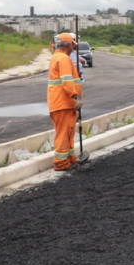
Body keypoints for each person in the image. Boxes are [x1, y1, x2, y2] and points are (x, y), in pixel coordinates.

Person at [47, 33, 84, 171]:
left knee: (68, 132)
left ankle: (69, 159)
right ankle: (61, 163)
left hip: (62, 102)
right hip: (63, 102)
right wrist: (75, 96)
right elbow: (67, 81)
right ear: (68, 45)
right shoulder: (63, 59)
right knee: (63, 133)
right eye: (73, 45)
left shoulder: (58, 57)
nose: (74, 47)